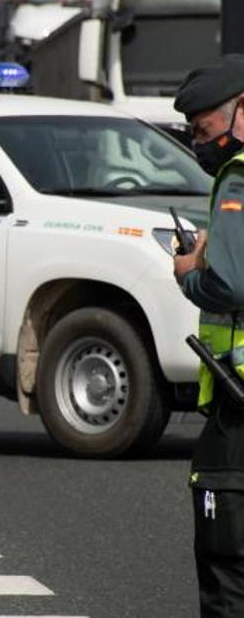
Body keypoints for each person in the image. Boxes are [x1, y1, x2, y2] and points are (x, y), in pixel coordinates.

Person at [173, 53, 244, 618]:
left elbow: (228, 285)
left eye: (205, 129)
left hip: (239, 399)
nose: (200, 143)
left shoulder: (238, 175)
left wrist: (191, 271)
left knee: (226, 559)